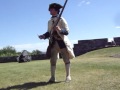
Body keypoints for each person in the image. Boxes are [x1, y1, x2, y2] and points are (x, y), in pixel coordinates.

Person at [39, 3, 75, 83]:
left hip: (62, 42)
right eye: (50, 9)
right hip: (53, 43)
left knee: (66, 59)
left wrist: (60, 30)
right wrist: (44, 36)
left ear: (56, 10)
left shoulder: (61, 19)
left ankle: (68, 76)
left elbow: (67, 31)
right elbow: (49, 32)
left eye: (51, 9)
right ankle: (52, 77)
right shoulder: (49, 21)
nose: (50, 11)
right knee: (53, 61)